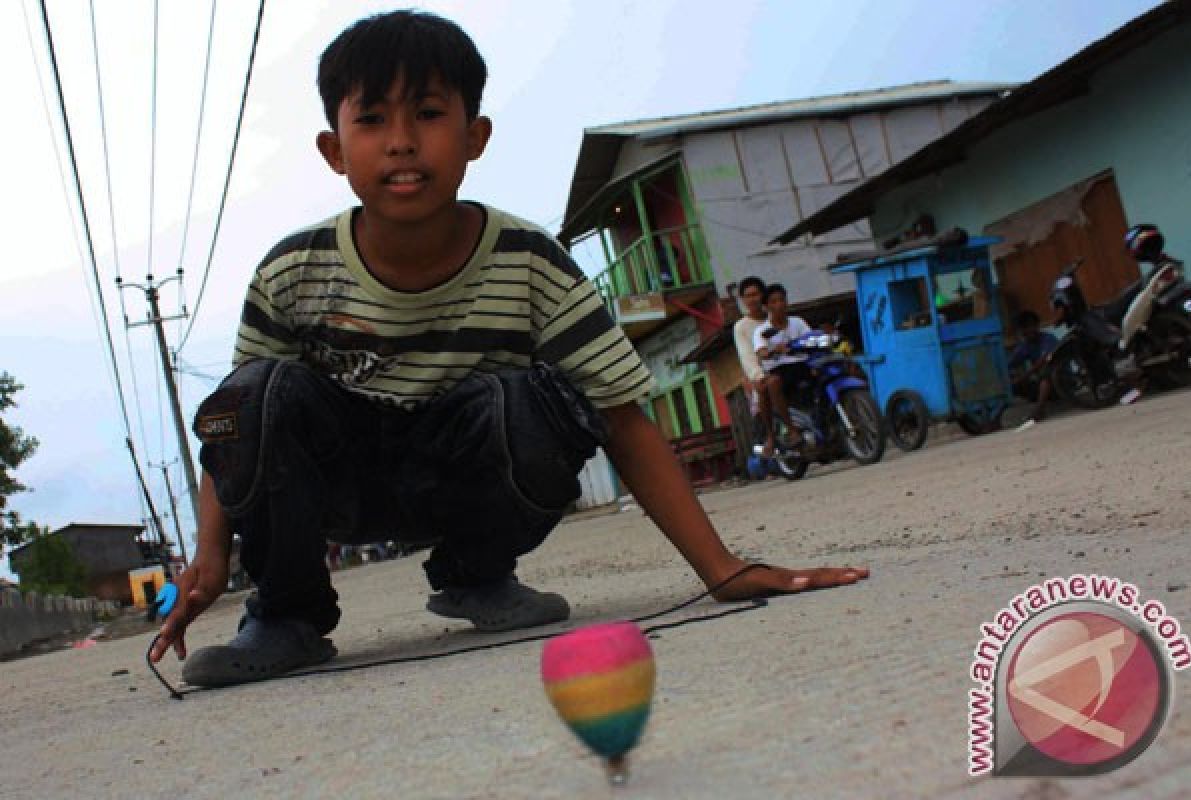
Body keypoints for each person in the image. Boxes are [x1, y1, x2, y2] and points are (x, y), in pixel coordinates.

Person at [149, 11, 867, 687]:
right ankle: (286, 616)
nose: (401, 141)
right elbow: (235, 427)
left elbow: (622, 417)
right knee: (257, 391)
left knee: (546, 400)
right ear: (335, 150)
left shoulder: (529, 260)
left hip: (458, 480)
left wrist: (721, 569)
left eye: (428, 114)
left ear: (475, 135)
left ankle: (477, 574)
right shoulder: (292, 271)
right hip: (335, 486)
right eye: (372, 120)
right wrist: (210, 558)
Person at [753, 284, 812, 442]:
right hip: (780, 370)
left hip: (802, 365)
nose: (779, 304)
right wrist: (773, 351)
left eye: (781, 300)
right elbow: (761, 352)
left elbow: (810, 338)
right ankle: (791, 429)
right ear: (766, 307)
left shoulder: (798, 322)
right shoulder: (761, 330)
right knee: (772, 382)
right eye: (773, 301)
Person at [732, 276, 784, 455]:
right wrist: (757, 375)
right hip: (764, 376)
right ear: (742, 300)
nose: (752, 299)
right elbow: (747, 355)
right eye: (747, 296)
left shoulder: (775, 317)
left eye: (756, 294)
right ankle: (771, 438)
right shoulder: (741, 326)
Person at [1008, 310, 1058, 430]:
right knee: (1011, 384)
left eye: (1030, 326)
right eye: (1024, 328)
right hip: (1040, 386)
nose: (1028, 331)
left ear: (1036, 326)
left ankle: (1039, 410)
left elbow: (1044, 360)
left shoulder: (1048, 339)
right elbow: (1010, 363)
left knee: (1045, 373)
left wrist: (1024, 376)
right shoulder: (1025, 346)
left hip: (1059, 382)